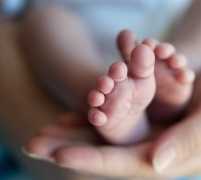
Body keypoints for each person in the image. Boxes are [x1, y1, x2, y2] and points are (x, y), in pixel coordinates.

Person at [1, 0, 201, 179]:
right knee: (43, 20)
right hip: (76, 27)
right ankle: (96, 90)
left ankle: (182, 65)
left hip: (171, 26)